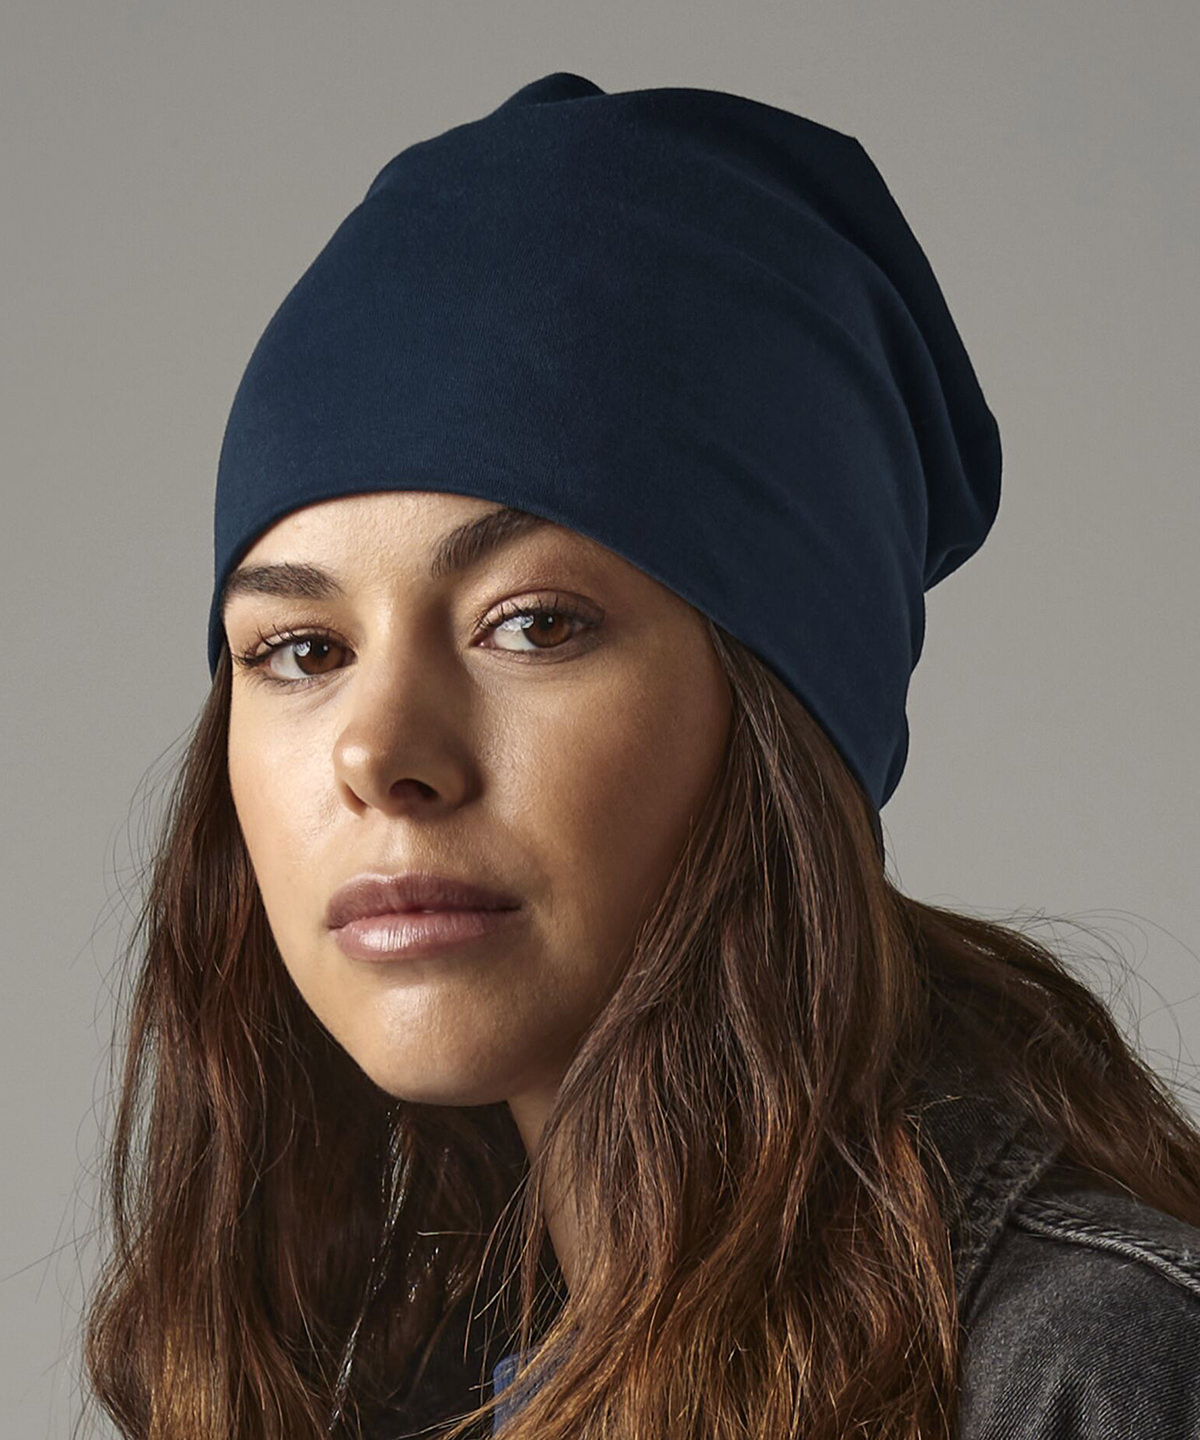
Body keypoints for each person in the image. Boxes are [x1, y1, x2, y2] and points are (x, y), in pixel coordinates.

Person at [82, 72, 1200, 1440]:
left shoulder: (1099, 1374)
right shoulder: (376, 1377)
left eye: (532, 624)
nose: (377, 750)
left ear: (781, 705)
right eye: (302, 649)